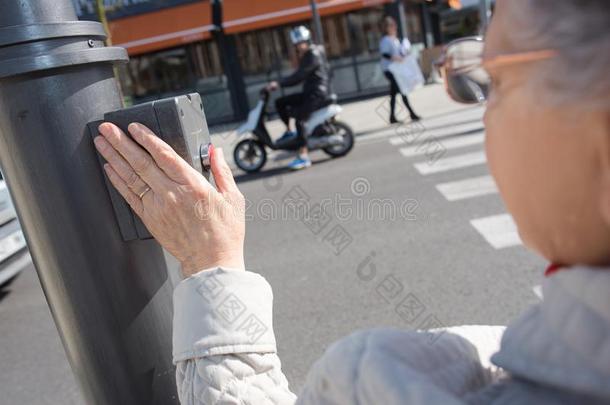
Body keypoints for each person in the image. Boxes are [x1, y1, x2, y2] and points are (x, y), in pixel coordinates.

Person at [94, 0, 610, 403]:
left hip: (317, 106)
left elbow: (305, 83)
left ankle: (300, 150)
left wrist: (211, 264)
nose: (481, 114)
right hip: (310, 98)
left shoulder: (384, 382)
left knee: (297, 114)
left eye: (495, 78)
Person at [266, 26, 331, 170]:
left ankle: (303, 157)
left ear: (307, 40)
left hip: (316, 94)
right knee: (280, 102)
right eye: (296, 44)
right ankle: (289, 131)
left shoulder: (312, 54)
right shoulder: (308, 54)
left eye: (300, 43)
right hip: (310, 92)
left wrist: (279, 83)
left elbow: (299, 76)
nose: (298, 47)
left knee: (300, 120)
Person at [379, 16, 421, 123]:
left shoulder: (396, 39)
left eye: (394, 26)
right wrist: (395, 58)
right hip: (390, 69)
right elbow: (384, 54)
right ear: (387, 28)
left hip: (397, 69)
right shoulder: (385, 40)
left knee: (394, 93)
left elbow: (401, 51)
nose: (394, 28)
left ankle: (392, 117)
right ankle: (411, 114)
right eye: (391, 26)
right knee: (402, 90)